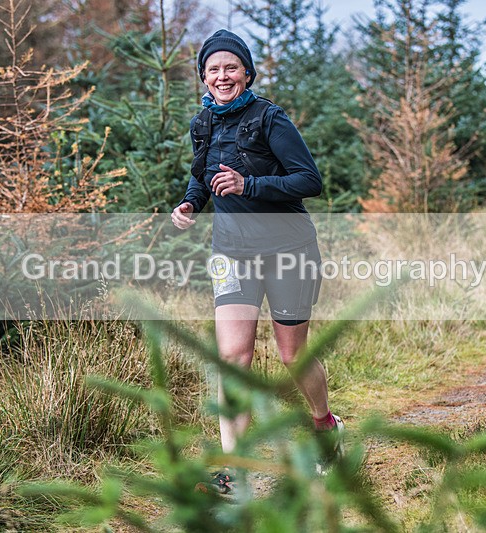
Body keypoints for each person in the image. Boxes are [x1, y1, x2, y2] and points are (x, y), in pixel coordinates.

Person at [171, 29, 343, 497]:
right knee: (232, 358)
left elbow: (309, 180)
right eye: (213, 70)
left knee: (293, 356)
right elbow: (201, 176)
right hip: (230, 253)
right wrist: (189, 204)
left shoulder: (270, 118)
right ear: (203, 78)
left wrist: (250, 185)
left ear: (246, 72)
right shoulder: (202, 123)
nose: (222, 76)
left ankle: (325, 425)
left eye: (231, 67)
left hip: (289, 250)